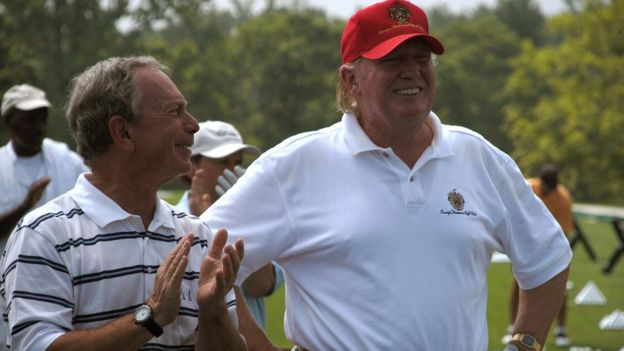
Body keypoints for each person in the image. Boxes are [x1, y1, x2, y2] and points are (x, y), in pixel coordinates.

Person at [201, 1, 572, 350]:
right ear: (351, 81)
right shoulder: (295, 164)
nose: (411, 69)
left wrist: (524, 344)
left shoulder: (478, 157)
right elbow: (198, 263)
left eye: (421, 57)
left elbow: (548, 257)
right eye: (391, 59)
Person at [0, 56, 246, 350]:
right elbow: (37, 346)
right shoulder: (44, 234)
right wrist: (150, 318)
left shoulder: (199, 237)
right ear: (123, 132)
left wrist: (213, 312)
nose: (193, 125)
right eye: (175, 111)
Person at [176, 120, 284, 329]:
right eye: (222, 162)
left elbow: (260, 286)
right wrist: (206, 223)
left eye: (238, 161)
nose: (233, 170)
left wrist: (245, 215)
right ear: (191, 166)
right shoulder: (171, 220)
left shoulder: (258, 218)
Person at [0, 84, 88, 239]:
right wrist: (25, 206)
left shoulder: (64, 158)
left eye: (43, 119)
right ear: (8, 121)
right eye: (29, 120)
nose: (39, 128)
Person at [503, 163, 574, 347]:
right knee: (518, 284)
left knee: (560, 287)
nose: (548, 193)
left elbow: (562, 235)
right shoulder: (525, 188)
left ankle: (561, 330)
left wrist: (556, 261)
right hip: (524, 242)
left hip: (550, 245)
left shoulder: (563, 199)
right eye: (545, 188)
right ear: (539, 180)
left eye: (551, 189)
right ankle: (513, 328)